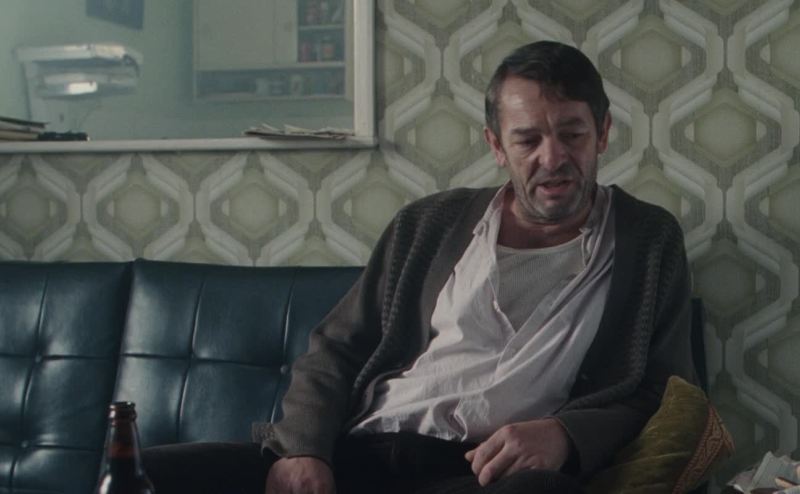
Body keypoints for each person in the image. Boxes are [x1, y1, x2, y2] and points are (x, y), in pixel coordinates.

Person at [143, 40, 696, 494]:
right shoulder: (430, 224)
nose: (552, 158)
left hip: (482, 476)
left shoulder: (647, 240)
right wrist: (304, 450)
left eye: (572, 134)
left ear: (602, 133)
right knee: (145, 472)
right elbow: (337, 348)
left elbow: (665, 393)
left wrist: (566, 435)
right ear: (496, 146)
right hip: (361, 454)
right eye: (528, 139)